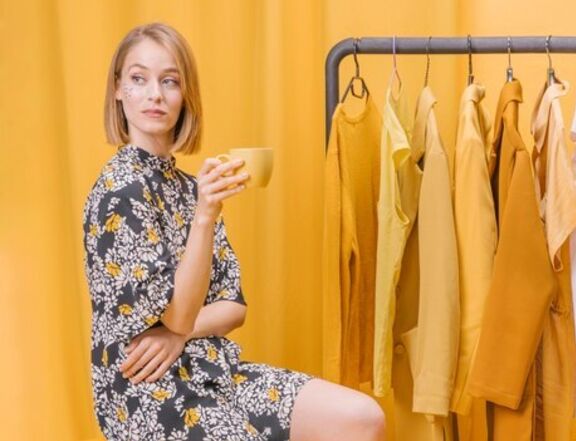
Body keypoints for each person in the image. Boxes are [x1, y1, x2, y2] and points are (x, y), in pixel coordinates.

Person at [81, 22, 385, 440]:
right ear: (118, 89)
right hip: (147, 394)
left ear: (185, 94)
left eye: (169, 81)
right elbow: (178, 313)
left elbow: (233, 307)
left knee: (362, 418)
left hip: (210, 371)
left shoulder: (192, 187)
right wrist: (205, 217)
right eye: (138, 79)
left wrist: (178, 335)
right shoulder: (120, 190)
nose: (155, 94)